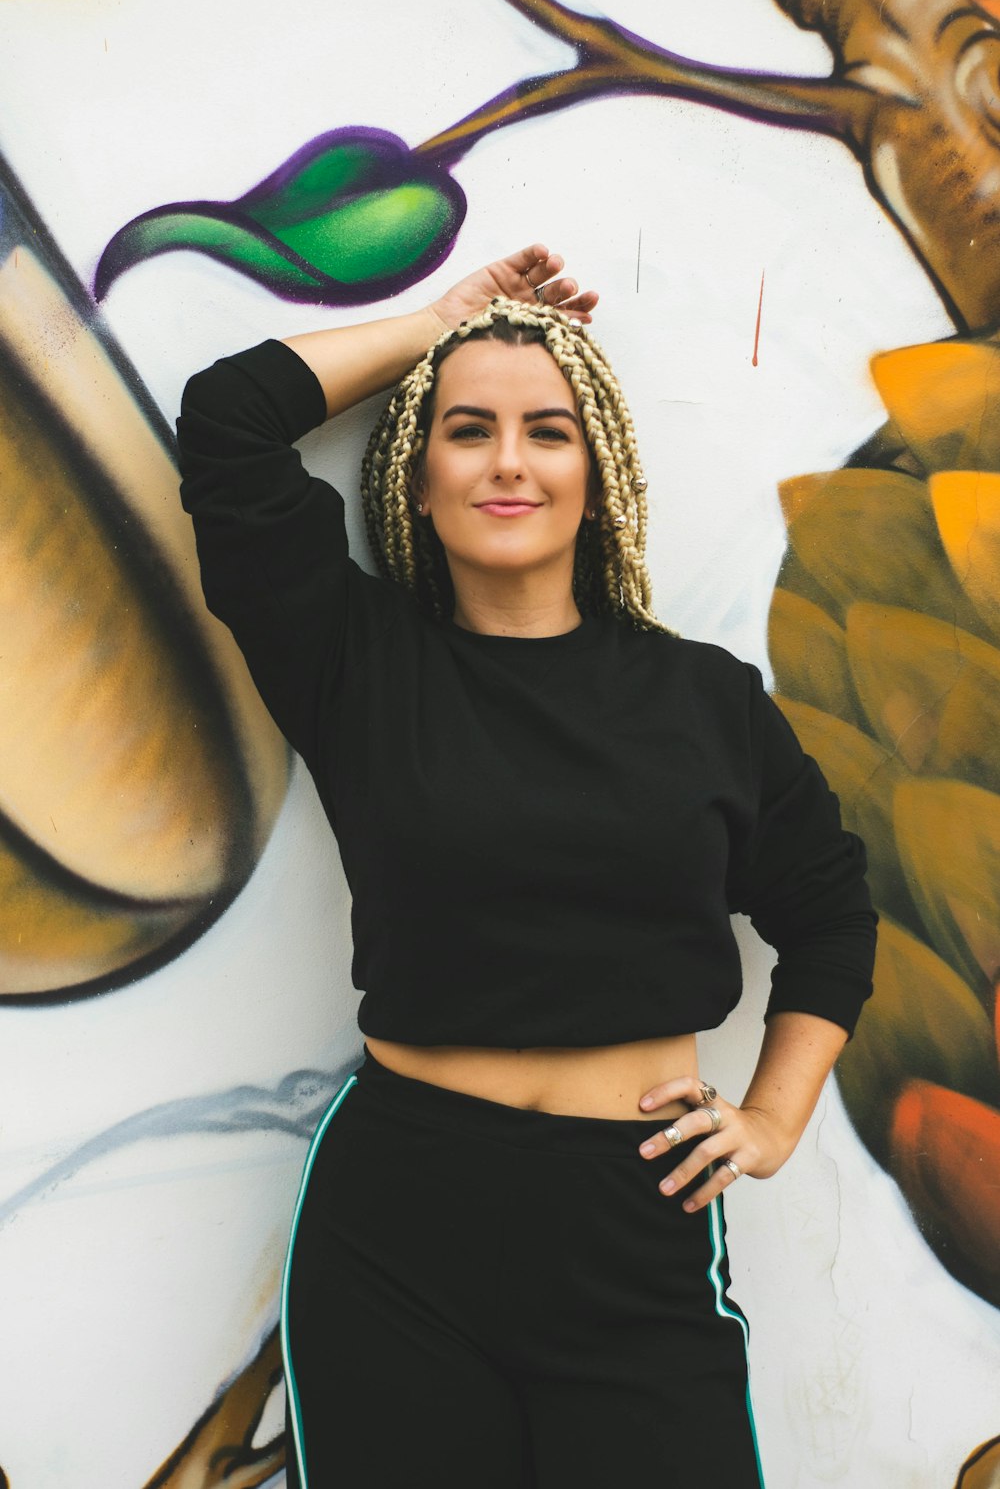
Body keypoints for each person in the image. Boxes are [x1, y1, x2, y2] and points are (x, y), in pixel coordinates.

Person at [175, 244, 878, 1489]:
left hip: (634, 1224)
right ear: (419, 478)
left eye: (548, 431)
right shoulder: (354, 662)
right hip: (400, 1225)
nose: (508, 460)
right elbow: (231, 422)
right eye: (467, 431)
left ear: (596, 480)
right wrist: (442, 320)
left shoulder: (703, 700)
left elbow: (828, 911)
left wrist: (771, 1118)